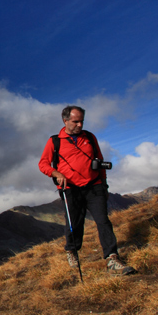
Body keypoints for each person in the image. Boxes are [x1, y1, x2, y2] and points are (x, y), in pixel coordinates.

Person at [38, 105, 135, 275]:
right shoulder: (55, 141)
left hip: (94, 185)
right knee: (74, 223)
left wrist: (104, 184)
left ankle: (112, 258)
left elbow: (100, 160)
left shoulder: (89, 137)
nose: (80, 125)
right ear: (65, 121)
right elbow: (43, 164)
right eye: (75, 122)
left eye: (81, 121)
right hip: (70, 188)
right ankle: (72, 251)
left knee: (103, 221)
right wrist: (55, 173)